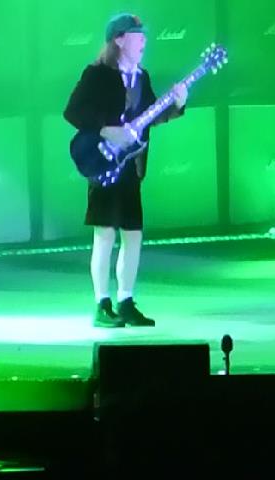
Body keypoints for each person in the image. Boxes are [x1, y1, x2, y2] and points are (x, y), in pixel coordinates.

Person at [64, 13, 188, 327]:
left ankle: (126, 301)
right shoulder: (97, 74)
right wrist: (106, 129)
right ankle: (102, 304)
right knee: (105, 234)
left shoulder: (141, 77)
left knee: (133, 235)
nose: (144, 39)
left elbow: (152, 116)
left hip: (130, 165)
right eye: (137, 34)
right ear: (119, 39)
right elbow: (73, 111)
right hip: (103, 162)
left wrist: (177, 104)